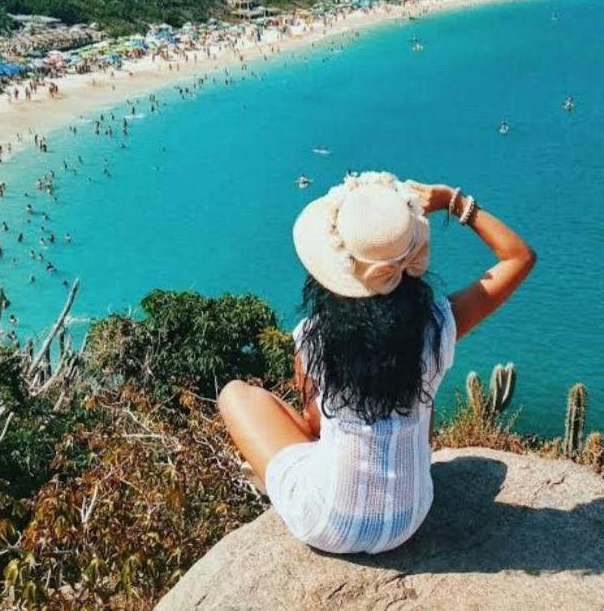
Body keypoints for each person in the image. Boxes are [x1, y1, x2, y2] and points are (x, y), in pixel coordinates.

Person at [218, 172, 536, 555]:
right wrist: (453, 201)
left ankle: (297, 480)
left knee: (236, 394)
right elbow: (519, 256)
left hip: (326, 523)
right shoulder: (437, 327)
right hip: (409, 519)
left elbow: (316, 425)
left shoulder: (313, 335)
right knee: (423, 398)